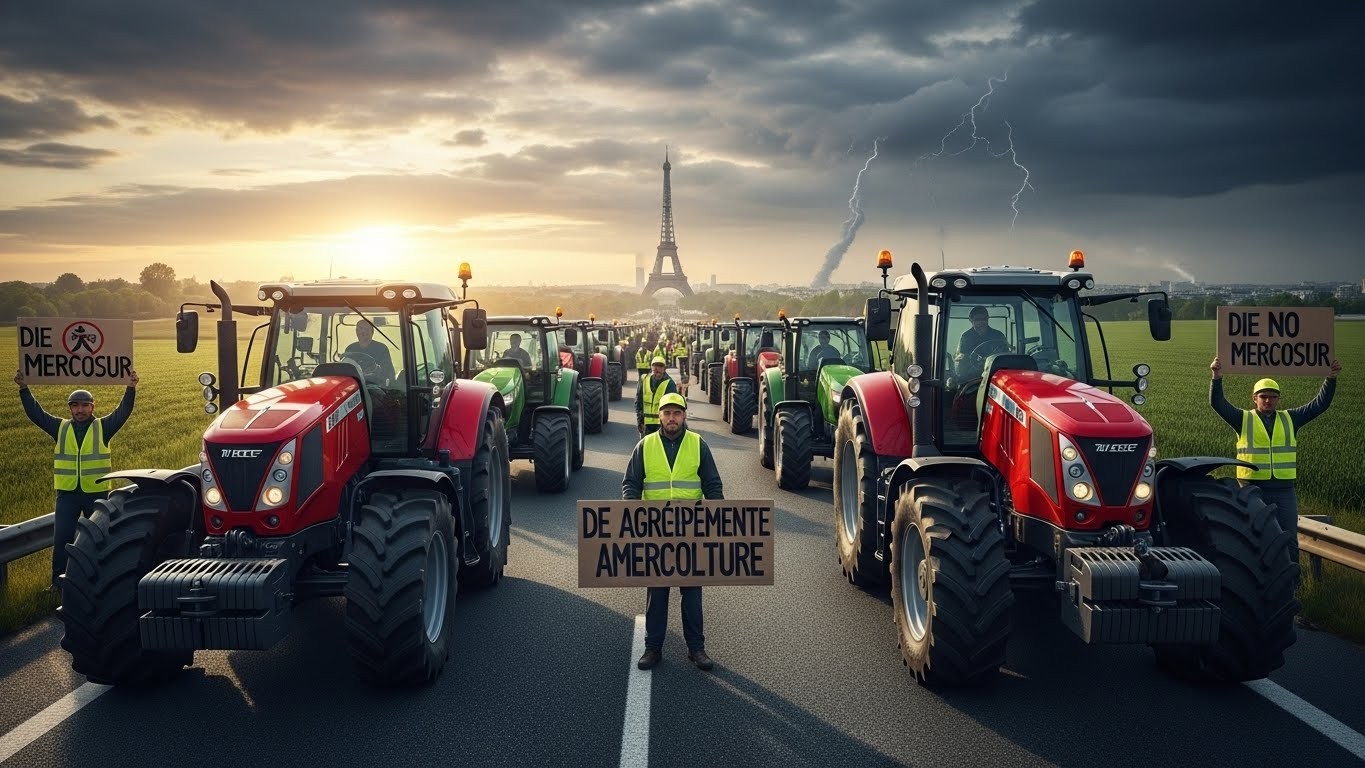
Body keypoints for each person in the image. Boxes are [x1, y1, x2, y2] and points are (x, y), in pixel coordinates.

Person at [622, 392, 724, 671]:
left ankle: (696, 649)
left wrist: (721, 520)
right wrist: (630, 515)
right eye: (667, 413)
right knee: (657, 591)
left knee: (692, 592)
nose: (671, 418)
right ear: (660, 416)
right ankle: (653, 648)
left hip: (691, 532)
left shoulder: (698, 444)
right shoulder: (645, 446)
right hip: (655, 533)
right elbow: (631, 484)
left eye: (676, 413)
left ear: (684, 416)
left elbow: (713, 485)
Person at [15, 368, 139, 589]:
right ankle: (57, 583)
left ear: (93, 407)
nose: (80, 410)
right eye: (75, 405)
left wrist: (131, 387)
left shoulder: (104, 427)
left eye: (84, 405)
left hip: (97, 494)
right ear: (70, 408)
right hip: (68, 495)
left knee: (99, 540)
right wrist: (24, 388)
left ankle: (100, 582)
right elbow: (36, 414)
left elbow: (124, 411)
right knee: (62, 539)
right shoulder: (60, 428)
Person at [1209, 356, 1341, 560]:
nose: (1268, 400)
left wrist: (1330, 378)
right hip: (1251, 488)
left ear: (1278, 399)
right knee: (1253, 538)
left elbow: (1319, 405)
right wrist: (1216, 377)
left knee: (1288, 538)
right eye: (1263, 396)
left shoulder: (1290, 418)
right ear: (1254, 398)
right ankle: (1257, 586)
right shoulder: (1242, 419)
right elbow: (1217, 404)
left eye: (1273, 396)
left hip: (1283, 489)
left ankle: (1291, 585)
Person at [954, 305, 1008, 379]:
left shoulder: (998, 335)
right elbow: (962, 360)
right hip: (972, 376)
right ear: (971, 320)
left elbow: (1005, 356)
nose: (981, 322)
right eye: (977, 320)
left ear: (987, 319)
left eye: (984, 319)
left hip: (994, 375)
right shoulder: (966, 337)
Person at [343, 319, 396, 384]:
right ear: (356, 332)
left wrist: (372, 371)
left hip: (376, 386)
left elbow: (388, 373)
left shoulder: (382, 349)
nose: (362, 332)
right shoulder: (350, 348)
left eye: (366, 329)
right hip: (356, 386)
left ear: (372, 332)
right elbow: (346, 370)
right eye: (359, 329)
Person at [636, 356, 677, 435]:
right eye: (654, 366)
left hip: (661, 424)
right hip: (646, 424)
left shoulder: (669, 383)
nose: (656, 368)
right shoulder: (644, 380)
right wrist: (639, 420)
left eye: (660, 366)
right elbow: (639, 401)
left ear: (664, 368)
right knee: (646, 446)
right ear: (651, 367)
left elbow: (672, 406)